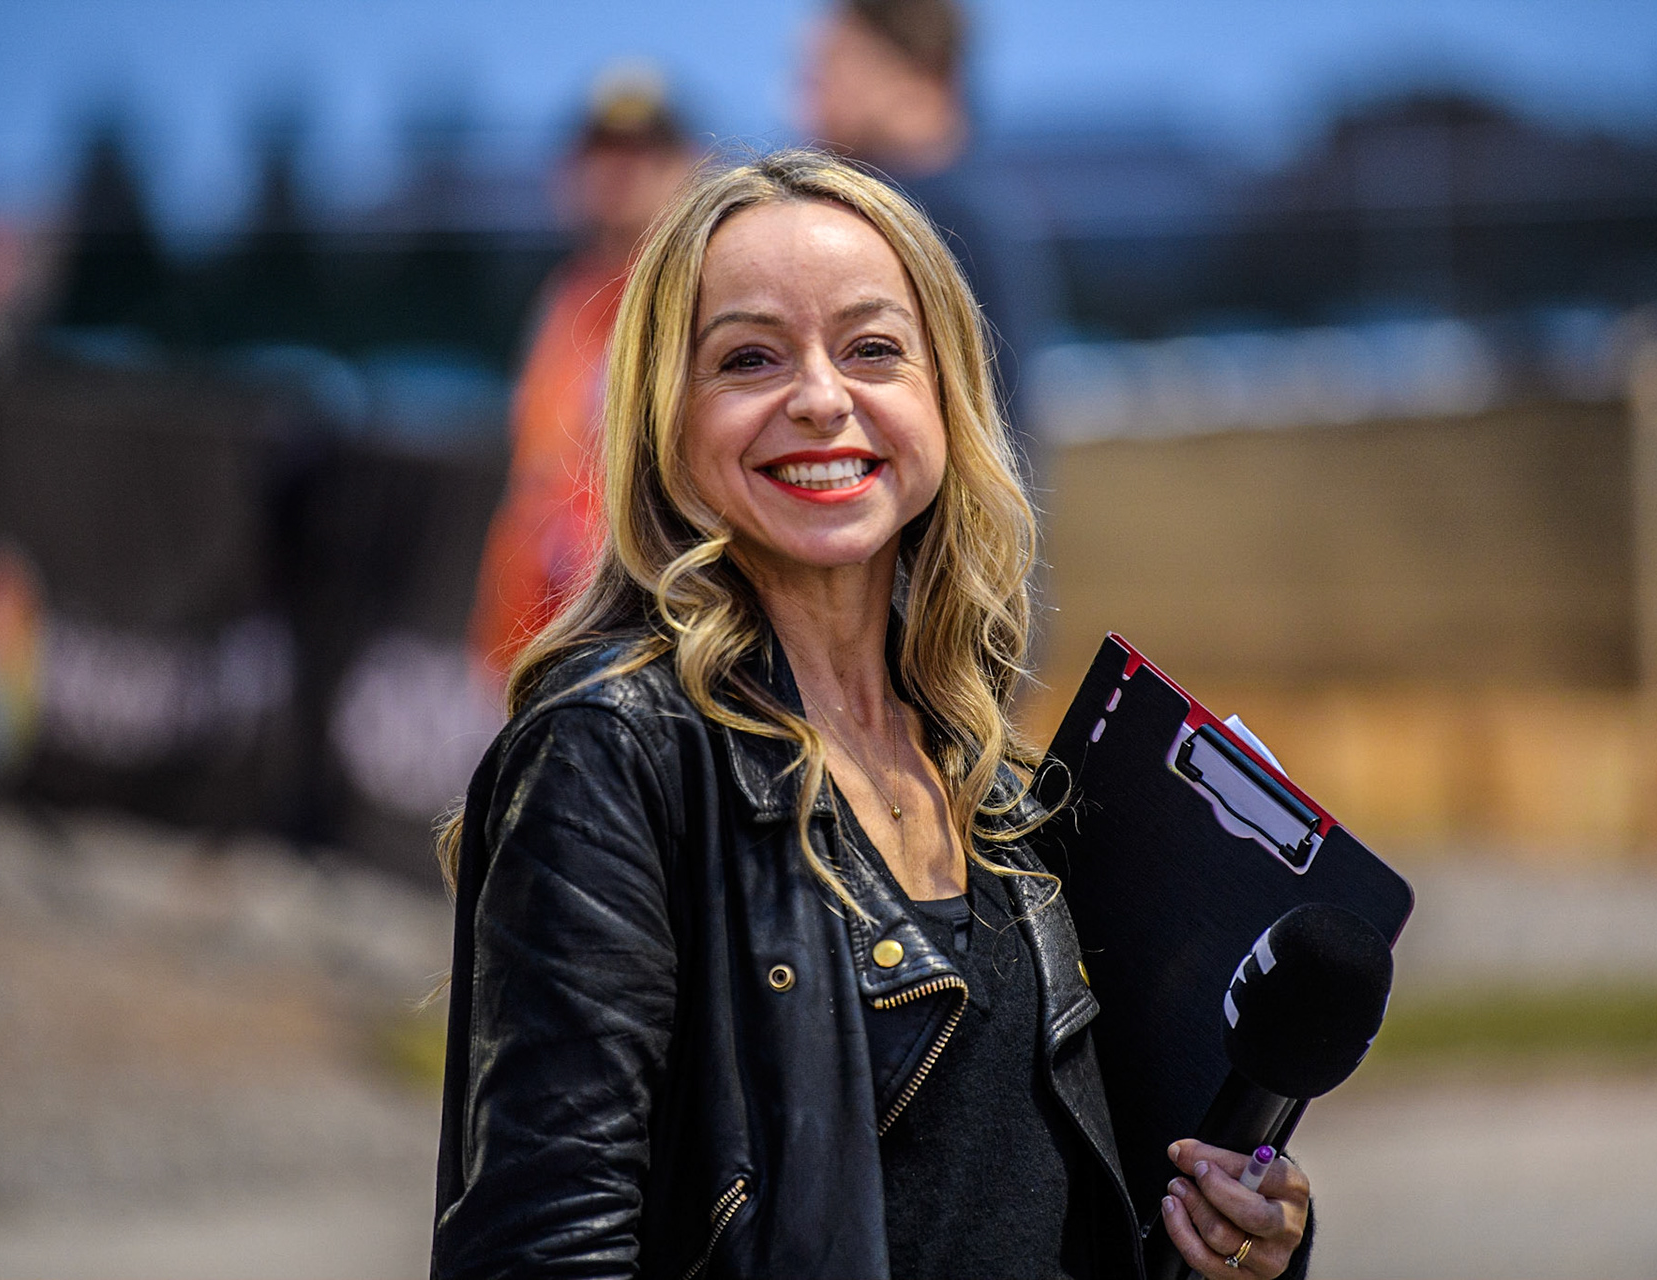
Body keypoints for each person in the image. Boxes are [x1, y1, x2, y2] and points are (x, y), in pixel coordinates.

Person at [431, 150, 1310, 1280]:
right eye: (749, 357)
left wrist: (1238, 1242)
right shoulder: (611, 756)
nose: (819, 397)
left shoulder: (996, 781)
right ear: (664, 419)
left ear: (946, 397)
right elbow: (543, 1247)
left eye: (873, 348)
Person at [467, 65, 697, 684]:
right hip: (536, 634)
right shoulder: (565, 295)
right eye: (600, 151)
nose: (619, 172)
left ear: (689, 165)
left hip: (641, 642)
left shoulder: (700, 297)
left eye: (645, 152)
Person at [801, 0, 1061, 486]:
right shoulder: (987, 205)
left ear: (918, 70)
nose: (801, 99)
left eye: (827, 68)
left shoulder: (923, 216)